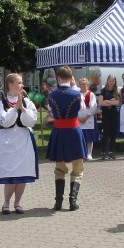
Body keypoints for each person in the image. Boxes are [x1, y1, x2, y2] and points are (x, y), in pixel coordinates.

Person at [0, 73, 38, 214]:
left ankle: (17, 203)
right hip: (7, 142)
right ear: (11, 84)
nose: (22, 85)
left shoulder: (27, 102)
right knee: (10, 175)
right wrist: (15, 108)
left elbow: (31, 121)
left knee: (22, 174)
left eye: (22, 83)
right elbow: (5, 121)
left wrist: (22, 108)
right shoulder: (0, 103)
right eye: (20, 82)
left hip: (23, 141)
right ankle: (6, 203)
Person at [47, 66, 86, 210]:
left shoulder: (52, 95)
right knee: (78, 167)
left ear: (58, 78)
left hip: (59, 132)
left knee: (59, 167)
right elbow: (81, 108)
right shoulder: (76, 94)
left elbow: (51, 111)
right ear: (71, 78)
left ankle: (58, 202)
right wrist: (75, 87)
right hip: (74, 131)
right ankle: (72, 201)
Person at [97, 75, 120, 160]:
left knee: (113, 134)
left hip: (114, 114)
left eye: (113, 81)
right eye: (110, 81)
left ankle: (111, 151)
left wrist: (107, 101)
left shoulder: (116, 91)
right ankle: (103, 152)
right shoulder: (103, 91)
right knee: (105, 133)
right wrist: (111, 102)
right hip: (106, 114)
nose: (111, 82)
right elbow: (101, 103)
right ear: (107, 81)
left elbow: (117, 103)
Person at [78, 78, 99, 160]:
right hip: (79, 118)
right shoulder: (77, 94)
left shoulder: (91, 94)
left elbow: (94, 107)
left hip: (89, 118)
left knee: (89, 137)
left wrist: (86, 117)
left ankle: (89, 153)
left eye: (85, 84)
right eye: (82, 84)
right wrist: (78, 118)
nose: (83, 86)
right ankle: (81, 153)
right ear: (79, 85)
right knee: (81, 137)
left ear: (88, 85)